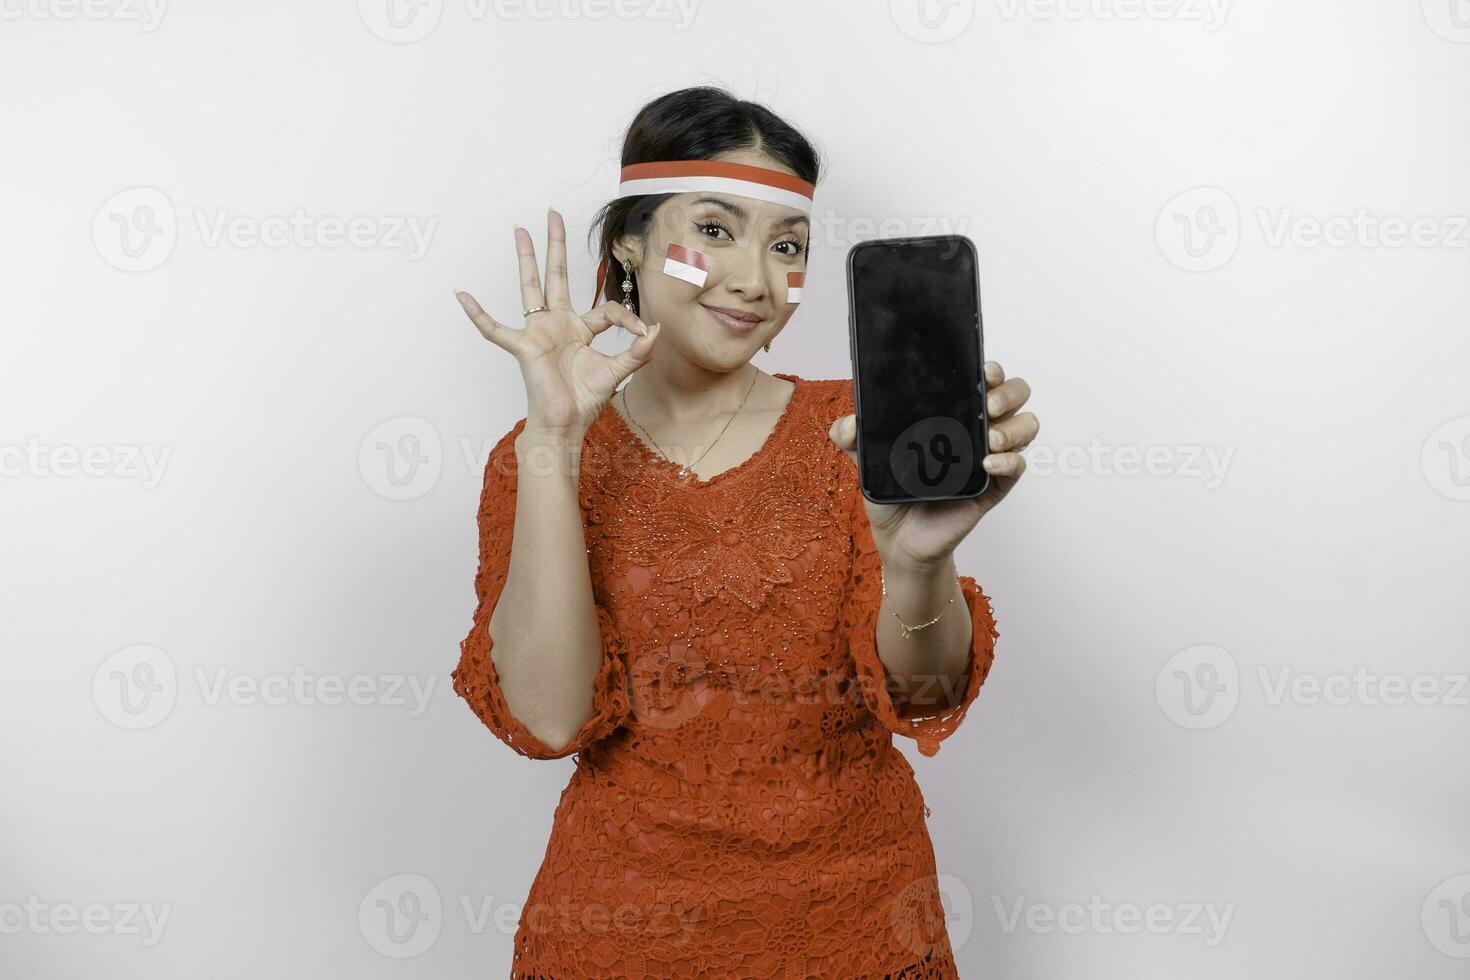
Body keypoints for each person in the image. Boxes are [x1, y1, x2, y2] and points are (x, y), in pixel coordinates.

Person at [450, 85, 1037, 979]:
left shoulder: (857, 431)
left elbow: (924, 692)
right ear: (629, 245)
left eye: (787, 246)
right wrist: (556, 442)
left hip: (858, 930)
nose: (756, 281)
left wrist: (921, 561)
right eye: (716, 230)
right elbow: (547, 719)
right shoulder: (536, 455)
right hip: (619, 936)